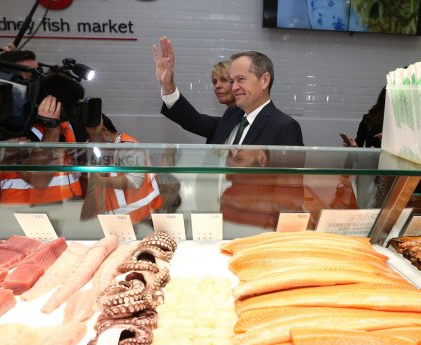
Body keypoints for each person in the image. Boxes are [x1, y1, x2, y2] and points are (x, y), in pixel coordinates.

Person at [154, 36, 304, 146]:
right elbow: (194, 120)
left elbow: (290, 184)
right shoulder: (232, 115)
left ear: (264, 80)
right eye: (232, 81)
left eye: (241, 79)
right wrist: (168, 86)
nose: (234, 87)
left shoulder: (285, 127)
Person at [81, 114, 162, 225]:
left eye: (91, 139)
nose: (90, 144)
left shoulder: (127, 147)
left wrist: (100, 182)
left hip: (143, 218)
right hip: (123, 220)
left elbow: (135, 181)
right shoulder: (107, 150)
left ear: (104, 131)